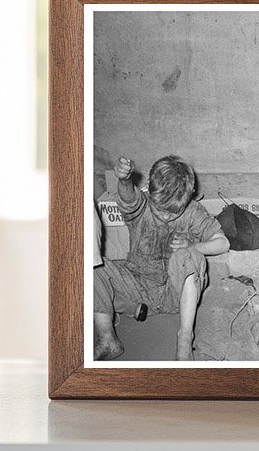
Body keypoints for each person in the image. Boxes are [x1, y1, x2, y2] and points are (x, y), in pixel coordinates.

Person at [93, 154, 229, 361]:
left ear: (190, 195)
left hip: (174, 292)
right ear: (149, 188)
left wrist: (193, 245)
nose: (166, 216)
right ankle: (107, 339)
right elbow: (128, 196)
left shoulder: (193, 212)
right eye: (160, 210)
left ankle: (184, 336)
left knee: (190, 256)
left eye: (173, 212)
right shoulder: (142, 206)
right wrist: (124, 179)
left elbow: (223, 242)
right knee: (93, 265)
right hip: (137, 285)